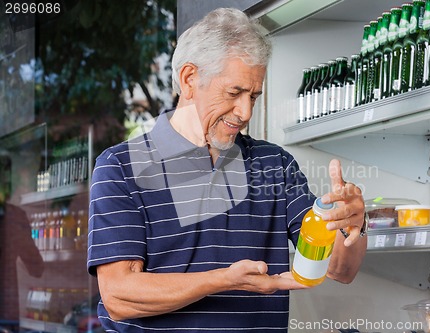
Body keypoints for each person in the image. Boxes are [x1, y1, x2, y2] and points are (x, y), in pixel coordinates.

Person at [87, 7, 367, 333]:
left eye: (254, 96)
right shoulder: (120, 167)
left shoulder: (274, 165)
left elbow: (339, 270)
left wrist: (352, 226)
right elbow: (119, 297)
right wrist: (224, 280)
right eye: (234, 93)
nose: (245, 111)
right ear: (189, 79)